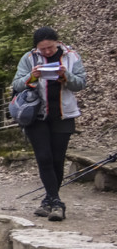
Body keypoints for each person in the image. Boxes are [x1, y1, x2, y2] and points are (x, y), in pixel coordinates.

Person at [11, 26, 87, 221]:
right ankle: (56, 202)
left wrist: (65, 76)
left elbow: (80, 83)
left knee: (57, 159)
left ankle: (49, 200)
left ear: (57, 43)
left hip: (63, 115)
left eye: (50, 48)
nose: (46, 52)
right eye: (42, 49)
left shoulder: (72, 57)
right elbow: (17, 84)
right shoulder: (29, 58)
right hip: (36, 115)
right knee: (44, 157)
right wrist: (32, 77)